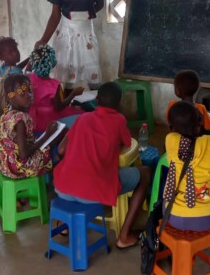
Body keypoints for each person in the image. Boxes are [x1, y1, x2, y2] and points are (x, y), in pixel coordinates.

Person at [54, 82, 151, 249]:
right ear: (119, 103)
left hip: (62, 189)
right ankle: (125, 236)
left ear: (96, 99)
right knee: (146, 173)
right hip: (91, 191)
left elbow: (62, 150)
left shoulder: (82, 119)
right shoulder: (119, 120)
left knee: (74, 172)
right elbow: (127, 142)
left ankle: (63, 225)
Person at [164, 101, 210, 264]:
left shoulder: (170, 140)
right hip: (205, 217)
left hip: (172, 215)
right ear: (200, 123)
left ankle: (176, 251)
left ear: (172, 128)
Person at [0, 74, 65, 179]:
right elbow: (24, 154)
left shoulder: (6, 114)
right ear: (9, 97)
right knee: (57, 140)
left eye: (29, 91)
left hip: (6, 165)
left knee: (49, 140)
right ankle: (57, 174)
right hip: (19, 168)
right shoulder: (20, 119)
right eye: (22, 93)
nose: (29, 95)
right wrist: (47, 135)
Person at [28, 44, 84, 133]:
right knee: (82, 113)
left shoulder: (29, 77)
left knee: (75, 109)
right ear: (51, 64)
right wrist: (73, 94)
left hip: (32, 118)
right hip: (48, 119)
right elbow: (59, 107)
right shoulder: (54, 84)